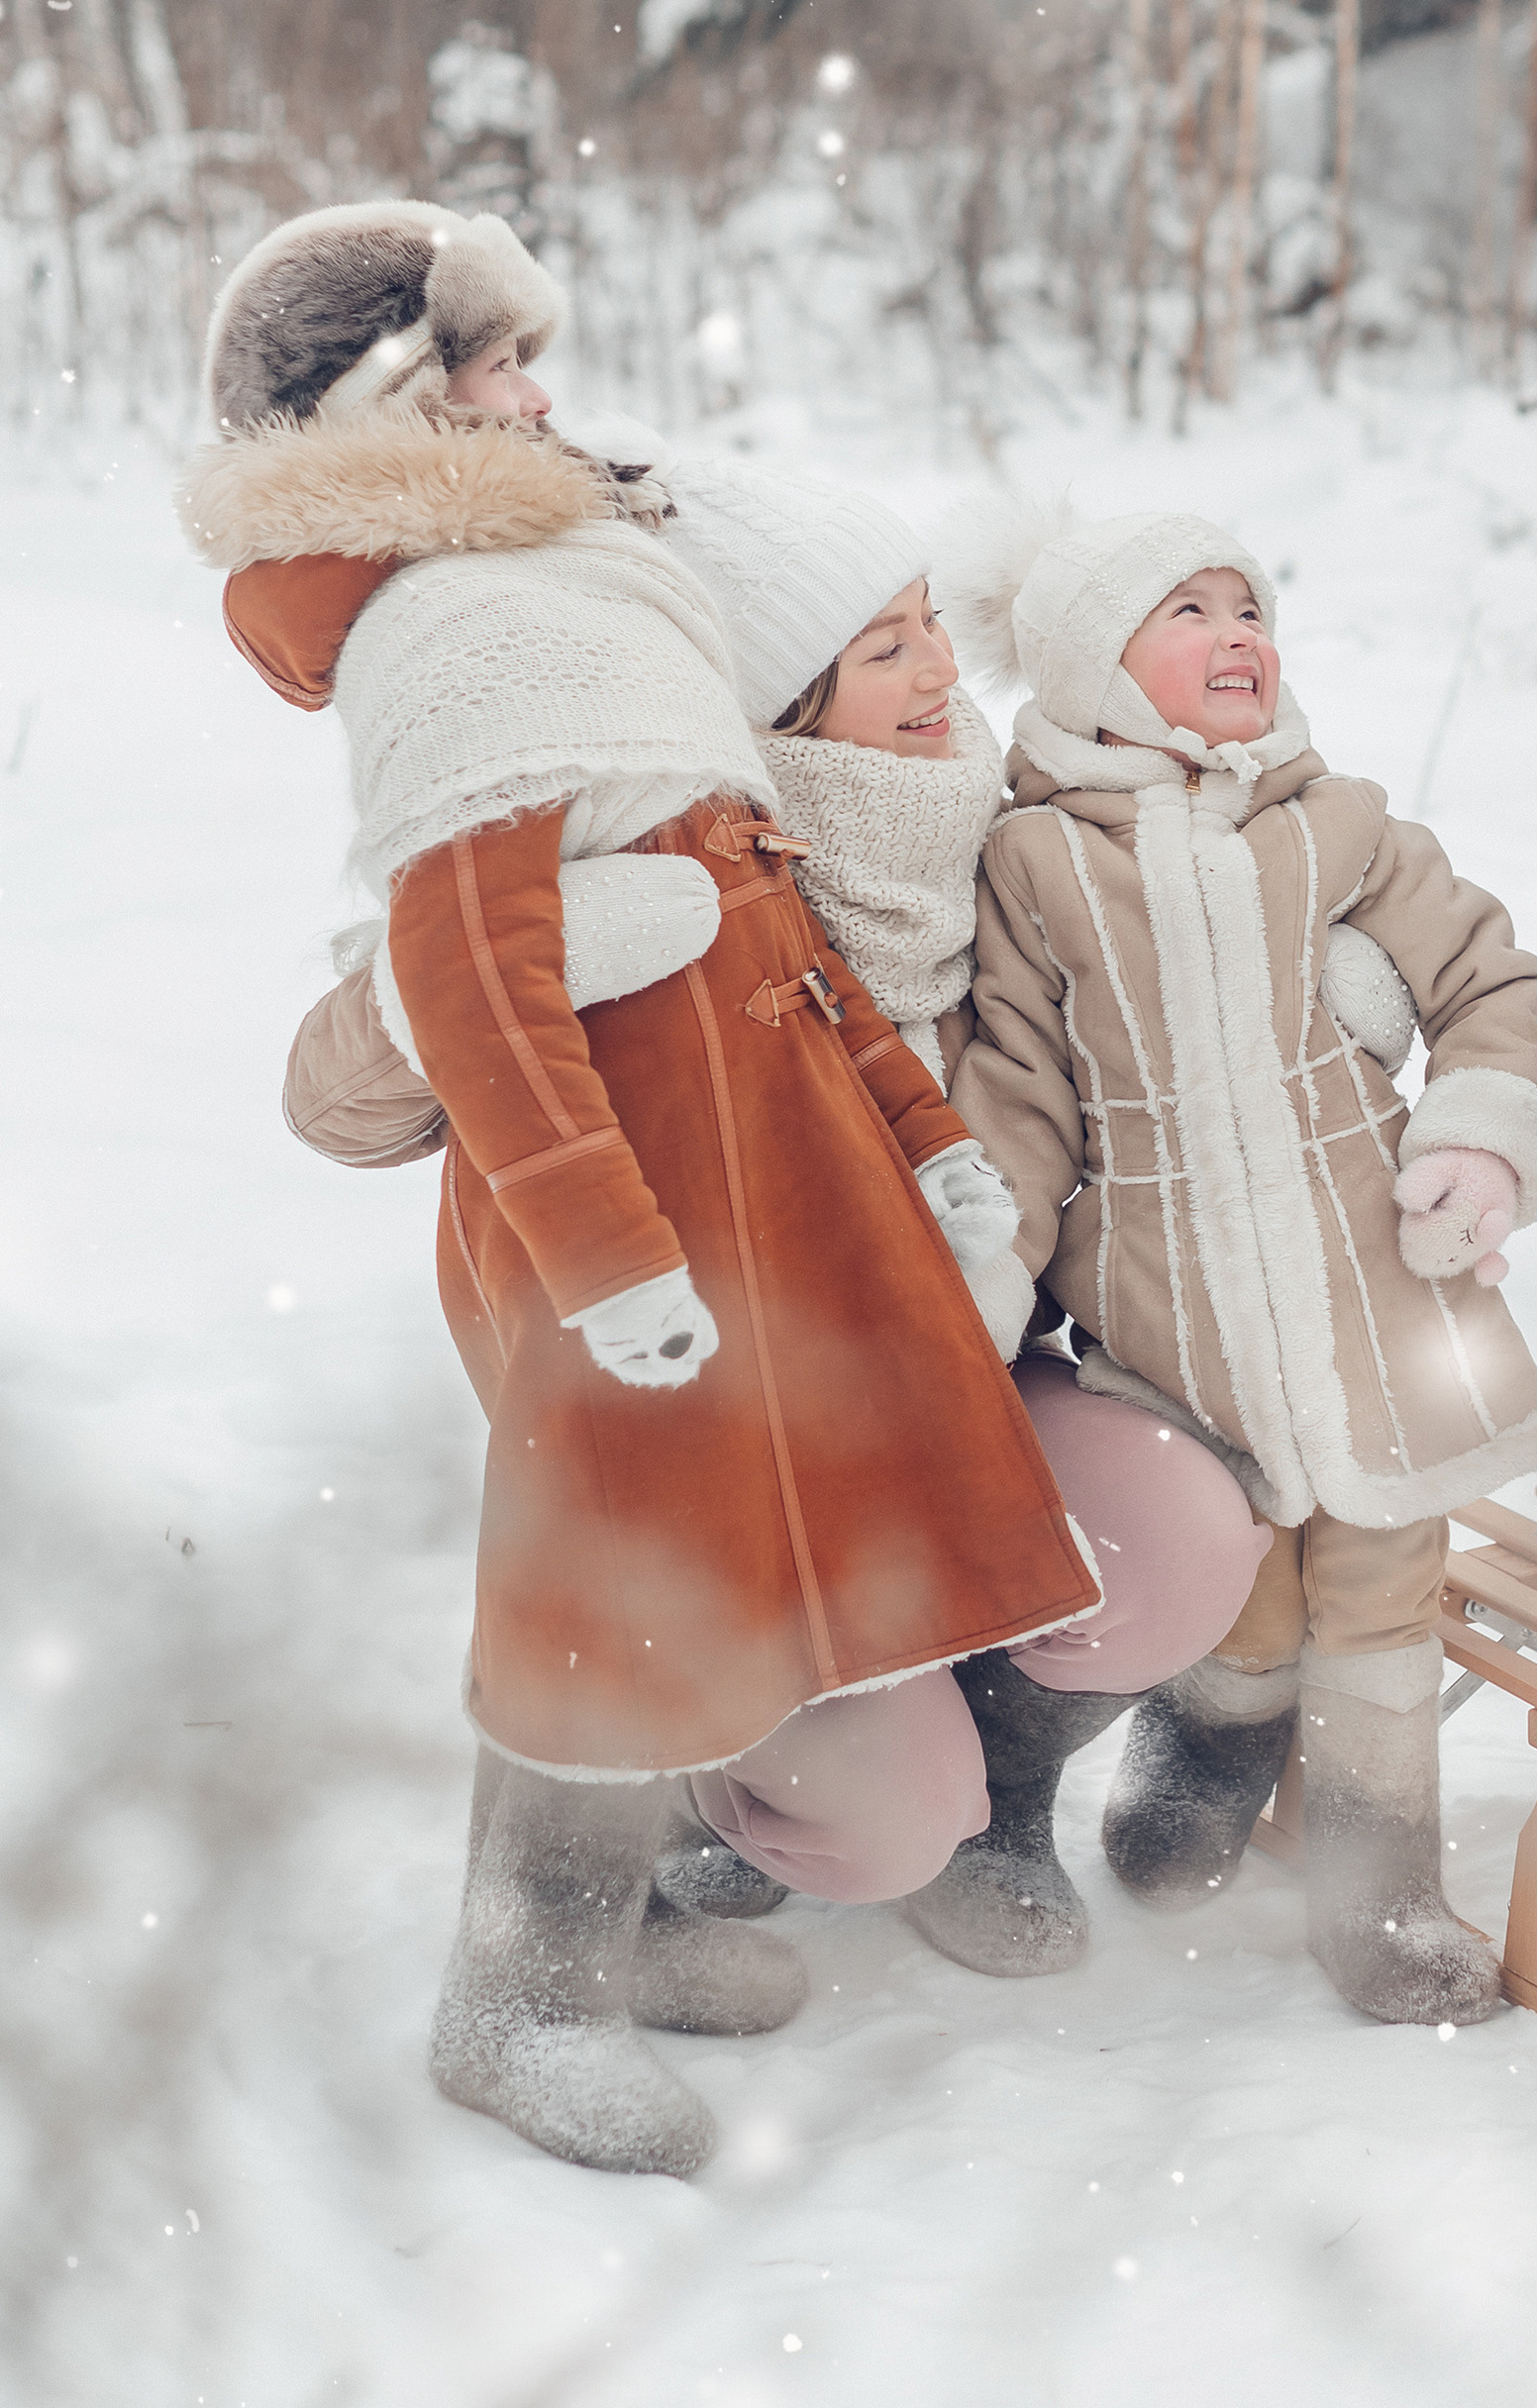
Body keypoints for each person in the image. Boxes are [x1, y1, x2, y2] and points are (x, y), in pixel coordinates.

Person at [181, 201, 1101, 2178]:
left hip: (754, 1140)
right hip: (612, 1184)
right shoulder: (456, 619)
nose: (539, 392)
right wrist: (600, 1248)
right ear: (394, 406)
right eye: (492, 367)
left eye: (527, 357)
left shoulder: (580, 574)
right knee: (602, 1571)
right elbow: (467, 970)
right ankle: (514, 1994)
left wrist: (930, 1149)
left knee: (723, 1534)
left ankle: (647, 1909)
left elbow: (758, 908)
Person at [283, 444, 1272, 1979]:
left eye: (934, 620)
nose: (945, 671)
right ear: (773, 705)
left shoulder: (1000, 831)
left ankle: (1006, 1803)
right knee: (887, 1815)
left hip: (968, 1383)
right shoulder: (655, 862)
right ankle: (716, 1767)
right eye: (884, 648)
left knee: (1180, 1539)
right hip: (743, 1455)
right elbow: (344, 1099)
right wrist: (467, 986)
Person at [943, 503, 1537, 2029]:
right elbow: (1018, 1104)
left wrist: (1477, 1144)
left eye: (1251, 607)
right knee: (1243, 1586)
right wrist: (977, 1287)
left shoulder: (1338, 823)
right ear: (1096, 666)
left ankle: (1386, 1891)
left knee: (1378, 1593)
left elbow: (1489, 979)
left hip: (1374, 1289)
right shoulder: (1035, 864)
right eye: (1188, 611)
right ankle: (1200, 1751)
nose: (1238, 634)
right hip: (1174, 1309)